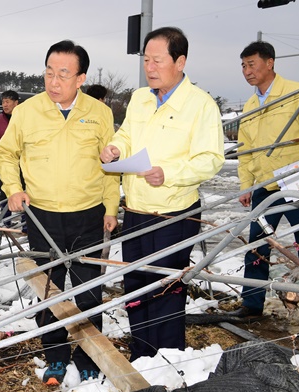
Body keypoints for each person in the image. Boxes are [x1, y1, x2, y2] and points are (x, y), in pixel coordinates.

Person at [0, 39, 118, 385]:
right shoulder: (28, 111)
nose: (53, 81)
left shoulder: (99, 113)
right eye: (49, 73)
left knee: (88, 290)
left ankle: (89, 355)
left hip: (88, 214)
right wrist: (13, 188)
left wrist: (111, 207)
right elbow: (6, 155)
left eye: (63, 74)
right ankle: (55, 356)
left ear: (80, 78)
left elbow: (112, 166)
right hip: (42, 215)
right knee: (48, 291)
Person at [100, 27, 224, 362]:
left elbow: (211, 159)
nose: (149, 67)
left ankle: (169, 360)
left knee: (166, 288)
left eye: (157, 60)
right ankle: (142, 353)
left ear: (180, 61)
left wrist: (169, 174)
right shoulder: (141, 98)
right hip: (137, 209)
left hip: (174, 214)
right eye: (146, 60)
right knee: (136, 284)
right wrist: (115, 148)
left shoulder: (200, 105)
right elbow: (127, 134)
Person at [231, 40, 299, 331]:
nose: (246, 71)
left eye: (251, 64)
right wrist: (246, 185)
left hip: (297, 184)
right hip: (265, 187)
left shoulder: (296, 94)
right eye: (243, 65)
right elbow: (245, 150)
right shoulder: (252, 105)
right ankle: (252, 304)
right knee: (257, 244)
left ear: (270, 63)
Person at [0, 90, 20, 225]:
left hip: (21, 161)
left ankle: (26, 223)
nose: (5, 105)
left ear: (16, 103)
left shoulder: (22, 118)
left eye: (8, 102)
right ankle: (6, 221)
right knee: (4, 191)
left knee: (24, 190)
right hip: (2, 162)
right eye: (3, 102)